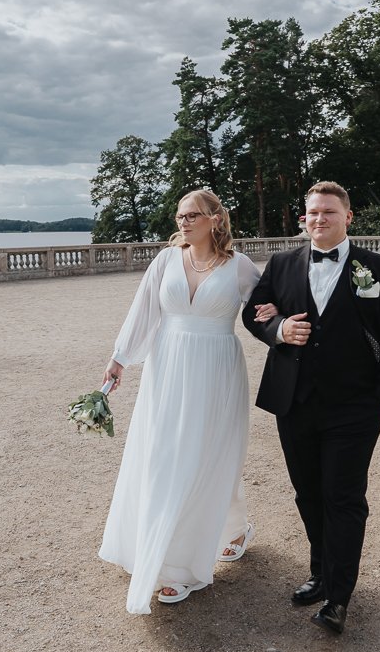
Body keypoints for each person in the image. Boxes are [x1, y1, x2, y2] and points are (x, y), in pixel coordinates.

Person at [242, 181, 380, 635]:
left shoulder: (378, 268)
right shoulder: (282, 263)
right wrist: (279, 330)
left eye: (329, 212)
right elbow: (253, 313)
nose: (319, 219)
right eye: (312, 213)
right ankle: (319, 572)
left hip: (355, 407)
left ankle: (339, 597)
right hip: (293, 402)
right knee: (308, 493)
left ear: (348, 217)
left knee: (344, 497)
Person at [98, 189, 263, 613]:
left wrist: (280, 321)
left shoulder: (240, 267)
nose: (183, 222)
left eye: (192, 215)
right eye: (180, 216)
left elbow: (266, 311)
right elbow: (143, 312)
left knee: (206, 456)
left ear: (215, 219)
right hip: (167, 369)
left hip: (217, 370)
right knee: (166, 457)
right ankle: (189, 546)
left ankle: (181, 568)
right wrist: (119, 359)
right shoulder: (165, 260)